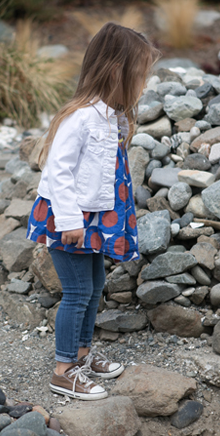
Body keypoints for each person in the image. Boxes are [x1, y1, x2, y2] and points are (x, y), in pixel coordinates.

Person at [26, 22, 160, 399]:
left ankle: (82, 355)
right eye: (139, 75)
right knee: (77, 291)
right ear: (116, 72)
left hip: (94, 219)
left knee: (95, 285)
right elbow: (58, 171)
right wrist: (70, 221)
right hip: (71, 219)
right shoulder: (81, 117)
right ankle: (63, 370)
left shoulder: (110, 116)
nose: (143, 84)